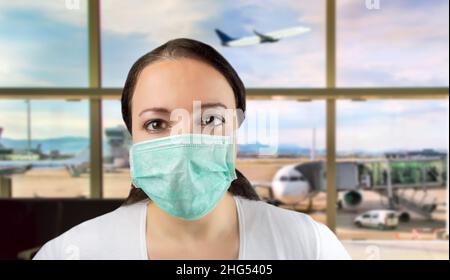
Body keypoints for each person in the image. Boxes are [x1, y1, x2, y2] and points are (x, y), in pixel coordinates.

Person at [33, 38, 351, 260]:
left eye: (210, 119)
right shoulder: (70, 253)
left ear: (236, 130)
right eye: (156, 124)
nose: (185, 144)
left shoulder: (310, 245)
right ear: (132, 139)